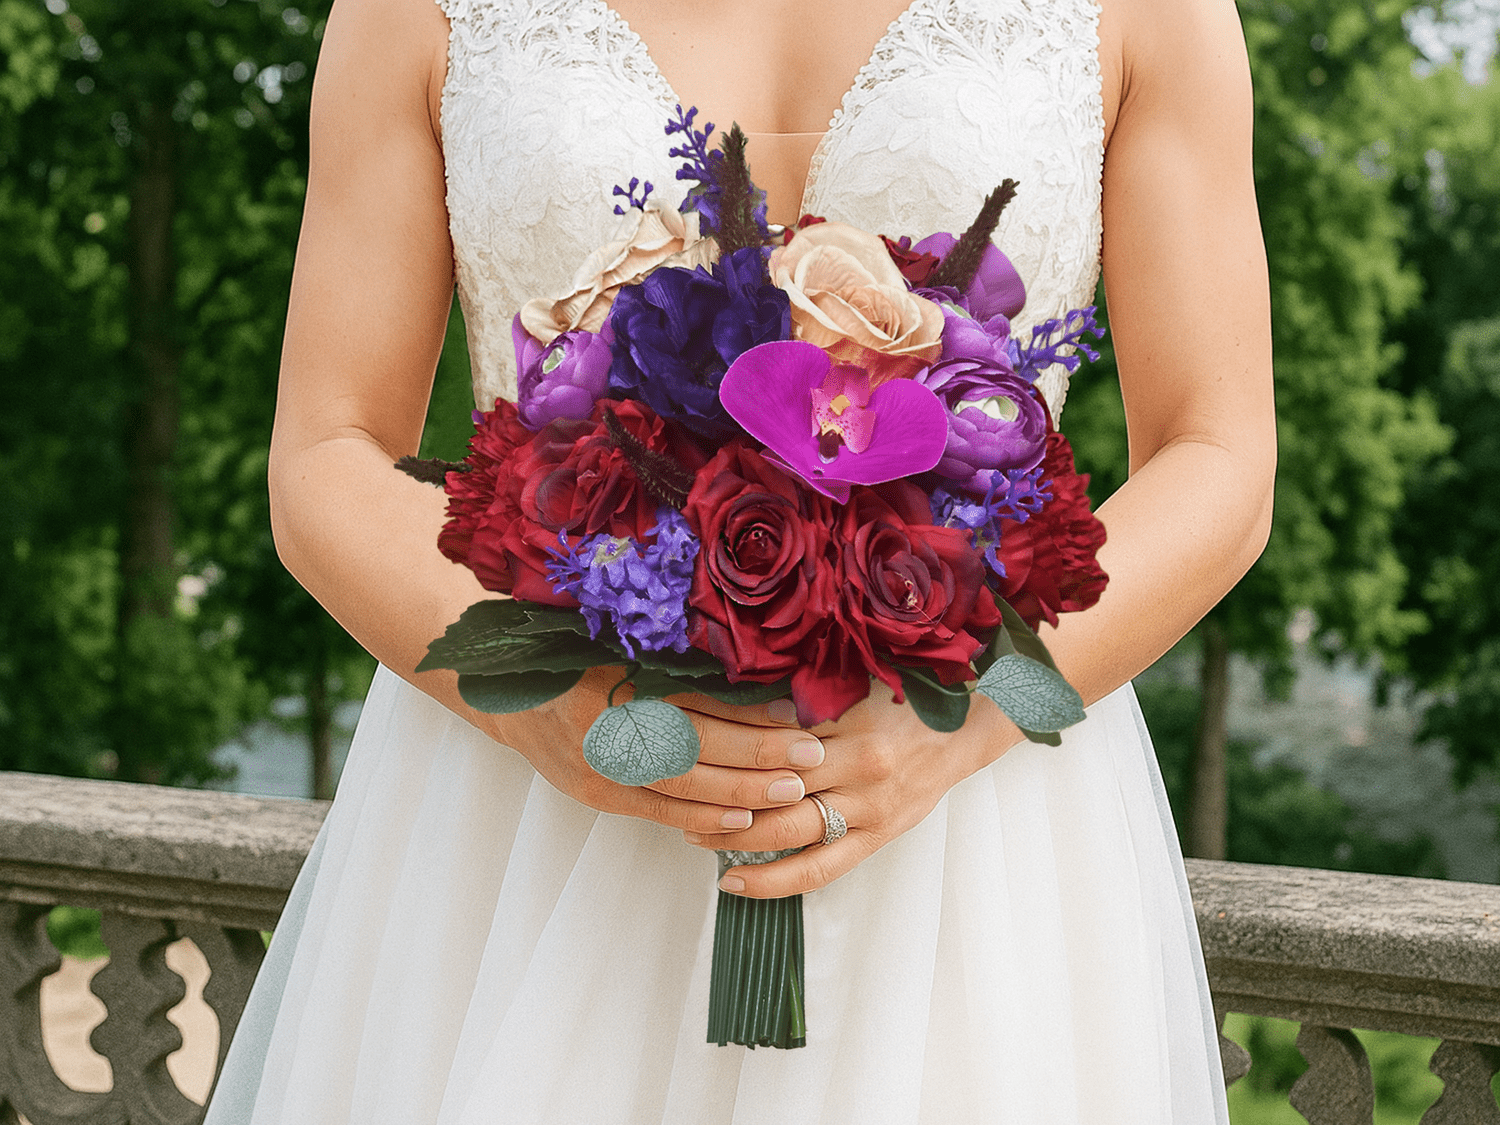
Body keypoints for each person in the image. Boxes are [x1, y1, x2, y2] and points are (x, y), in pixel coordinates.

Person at [204, 0, 1274, 1119]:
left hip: (965, 829)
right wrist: (549, 704)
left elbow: (1220, 453)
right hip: (518, 828)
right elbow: (324, 452)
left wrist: (972, 717)